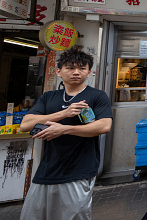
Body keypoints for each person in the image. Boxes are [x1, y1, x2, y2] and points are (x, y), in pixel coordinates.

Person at [19, 47, 112, 220]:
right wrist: (63, 114)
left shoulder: (97, 96)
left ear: (89, 72)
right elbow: (25, 124)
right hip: (46, 170)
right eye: (70, 68)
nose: (76, 72)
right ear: (59, 72)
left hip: (80, 170)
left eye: (82, 68)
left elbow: (104, 126)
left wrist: (64, 129)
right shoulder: (49, 97)